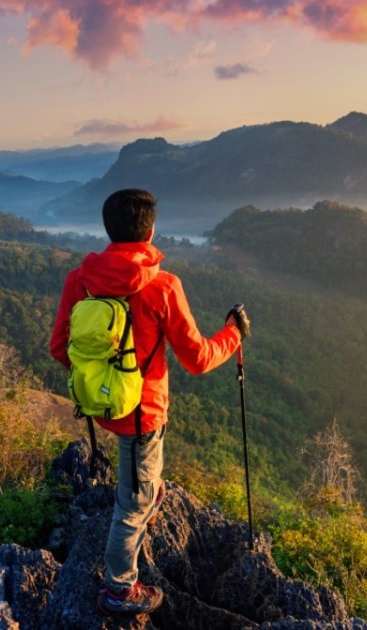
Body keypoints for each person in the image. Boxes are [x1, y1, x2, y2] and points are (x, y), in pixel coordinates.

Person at [49, 188, 250, 616]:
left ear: (109, 229)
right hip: (144, 414)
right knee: (131, 505)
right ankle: (119, 589)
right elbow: (197, 359)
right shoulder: (163, 286)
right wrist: (233, 334)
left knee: (143, 479)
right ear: (150, 231)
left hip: (104, 405)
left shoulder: (80, 280)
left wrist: (101, 382)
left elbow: (59, 346)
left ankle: (149, 493)